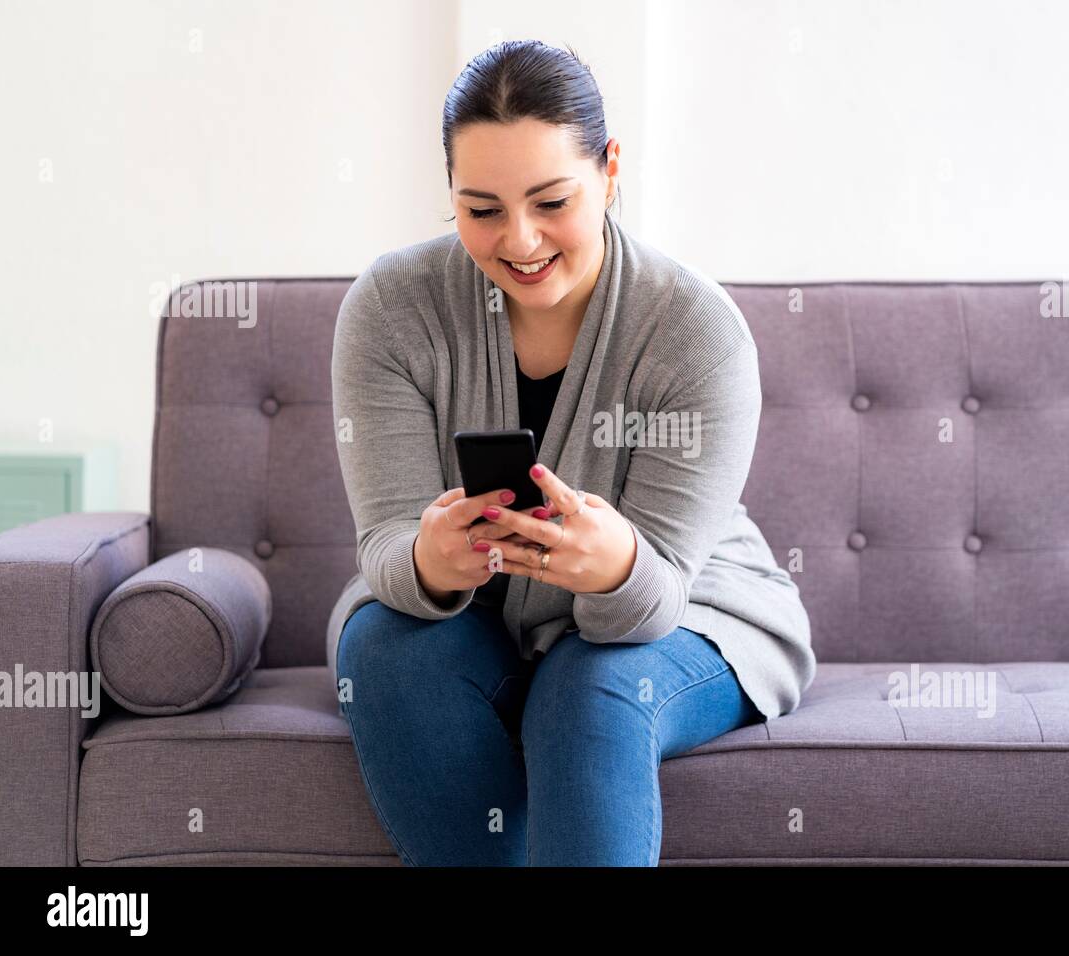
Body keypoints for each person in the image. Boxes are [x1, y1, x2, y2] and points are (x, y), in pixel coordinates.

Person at [329, 38, 815, 866]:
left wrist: (618, 563)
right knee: (380, 649)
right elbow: (384, 548)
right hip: (477, 615)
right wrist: (431, 558)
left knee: (588, 688)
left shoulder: (696, 332)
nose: (520, 241)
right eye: (481, 210)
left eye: (551, 201)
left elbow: (659, 586)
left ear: (610, 170)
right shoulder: (392, 308)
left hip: (688, 602)